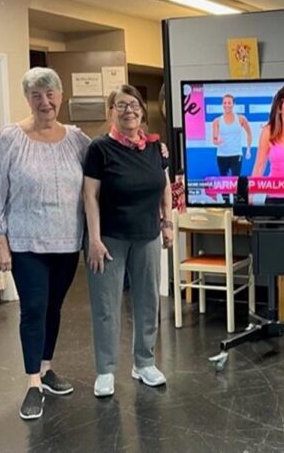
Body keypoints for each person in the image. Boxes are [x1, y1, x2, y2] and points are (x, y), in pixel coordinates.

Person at [0, 67, 90, 420]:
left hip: (66, 242)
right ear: (28, 99)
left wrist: (150, 148)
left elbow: (104, 166)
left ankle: (46, 369)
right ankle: (32, 384)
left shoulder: (77, 139)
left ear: (60, 96)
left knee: (53, 307)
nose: (45, 102)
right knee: (33, 308)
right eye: (36, 95)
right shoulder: (10, 138)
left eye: (50, 94)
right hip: (26, 243)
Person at [83, 84, 173, 398]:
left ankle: (144, 363)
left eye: (134, 105)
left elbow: (164, 187)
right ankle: (105, 370)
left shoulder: (155, 147)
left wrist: (167, 223)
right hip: (109, 239)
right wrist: (94, 239)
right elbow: (90, 195)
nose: (128, 111)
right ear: (112, 112)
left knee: (148, 302)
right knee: (106, 305)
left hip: (147, 235)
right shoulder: (99, 148)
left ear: (142, 111)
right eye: (121, 105)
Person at [212, 94, 252, 202]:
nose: (227, 105)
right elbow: (214, 140)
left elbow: (249, 133)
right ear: (222, 104)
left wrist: (248, 149)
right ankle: (226, 204)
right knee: (224, 182)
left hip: (236, 154)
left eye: (229, 102)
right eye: (225, 103)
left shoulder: (241, 119)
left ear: (233, 104)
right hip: (222, 155)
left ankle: (236, 204)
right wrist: (218, 141)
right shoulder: (217, 121)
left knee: (236, 181)